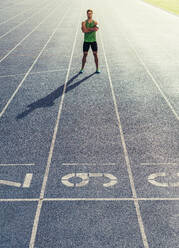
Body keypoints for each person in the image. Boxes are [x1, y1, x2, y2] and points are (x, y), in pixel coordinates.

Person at [80, 9, 100, 74]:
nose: (89, 14)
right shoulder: (83, 22)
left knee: (95, 55)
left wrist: (87, 29)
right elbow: (84, 31)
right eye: (88, 13)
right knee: (85, 55)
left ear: (92, 14)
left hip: (93, 41)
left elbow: (96, 29)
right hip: (86, 41)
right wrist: (92, 29)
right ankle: (82, 69)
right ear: (87, 14)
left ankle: (97, 68)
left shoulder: (95, 22)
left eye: (90, 13)